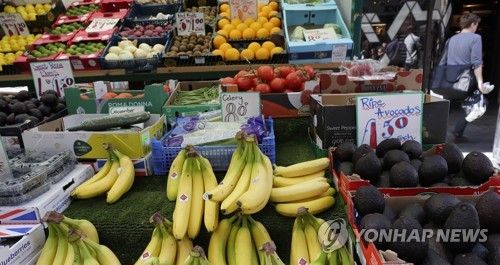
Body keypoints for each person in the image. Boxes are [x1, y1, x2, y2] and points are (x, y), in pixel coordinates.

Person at [438, 13, 486, 141]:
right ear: (473, 24)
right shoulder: (476, 38)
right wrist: (480, 82)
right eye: (477, 24)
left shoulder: (451, 39)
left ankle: (436, 133)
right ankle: (457, 133)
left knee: (446, 106)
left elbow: (443, 61)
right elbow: (476, 61)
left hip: (449, 78)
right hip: (465, 79)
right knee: (472, 103)